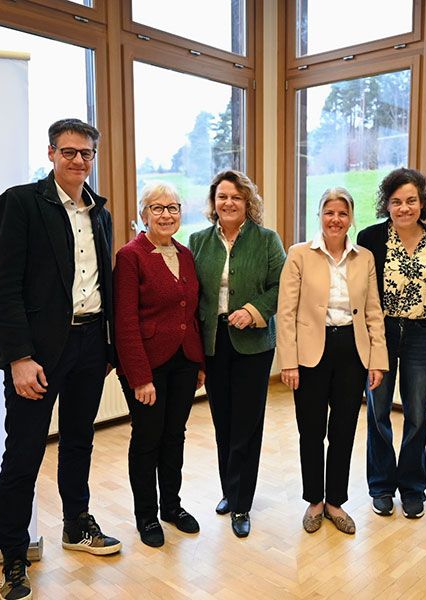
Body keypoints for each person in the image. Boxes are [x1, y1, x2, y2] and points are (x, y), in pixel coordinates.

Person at [0, 119, 119, 600]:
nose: (78, 160)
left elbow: (101, 282)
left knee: (79, 442)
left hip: (89, 345)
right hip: (37, 354)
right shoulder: (20, 203)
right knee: (24, 455)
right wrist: (19, 358)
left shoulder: (100, 213)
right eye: (69, 152)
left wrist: (107, 348)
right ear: (51, 154)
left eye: (86, 153)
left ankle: (76, 525)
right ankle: (14, 558)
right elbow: (3, 288)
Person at [277, 187, 388, 535]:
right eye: (329, 212)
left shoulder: (364, 258)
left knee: (344, 430)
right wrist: (289, 361)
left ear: (351, 218)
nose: (335, 219)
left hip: (352, 352)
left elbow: (373, 312)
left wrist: (378, 360)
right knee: (311, 431)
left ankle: (335, 501)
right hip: (310, 352)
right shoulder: (299, 254)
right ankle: (314, 500)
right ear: (320, 216)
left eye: (342, 213)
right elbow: (286, 312)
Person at [188, 170, 286, 538]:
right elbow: (192, 294)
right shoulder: (198, 241)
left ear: (247, 202)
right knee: (223, 422)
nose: (228, 203)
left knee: (247, 424)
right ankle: (229, 491)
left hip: (253, 345)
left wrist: (254, 310)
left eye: (236, 197)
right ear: (214, 202)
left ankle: (243, 502)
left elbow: (281, 286)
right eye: (222, 197)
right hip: (214, 342)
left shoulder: (267, 240)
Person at [113, 182, 206, 548]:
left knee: (174, 435)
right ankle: (146, 515)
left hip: (184, 361)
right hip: (147, 366)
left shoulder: (185, 254)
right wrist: (139, 377)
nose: (166, 215)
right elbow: (124, 322)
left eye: (173, 208)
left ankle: (171, 506)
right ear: (144, 214)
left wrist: (199, 362)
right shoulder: (130, 256)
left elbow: (192, 312)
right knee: (147, 439)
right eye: (157, 208)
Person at [356, 168, 426, 519]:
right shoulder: (370, 237)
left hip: (421, 333)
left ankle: (412, 488)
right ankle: (380, 486)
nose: (404, 208)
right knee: (378, 412)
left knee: (417, 414)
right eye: (396, 202)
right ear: (387, 204)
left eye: (411, 200)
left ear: (422, 203)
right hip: (382, 332)